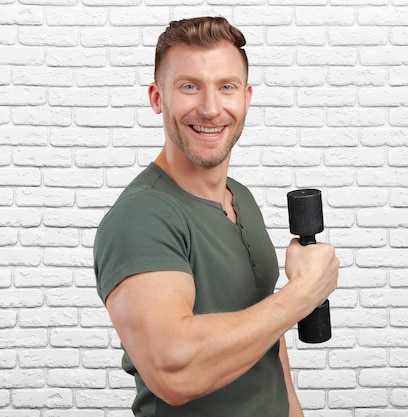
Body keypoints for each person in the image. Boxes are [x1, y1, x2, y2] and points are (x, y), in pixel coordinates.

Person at [93, 16, 339, 417]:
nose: (210, 108)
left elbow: (267, 336)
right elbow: (176, 371)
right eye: (189, 86)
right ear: (158, 98)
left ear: (246, 97)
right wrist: (303, 294)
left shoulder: (239, 197)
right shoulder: (140, 218)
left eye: (227, 87)